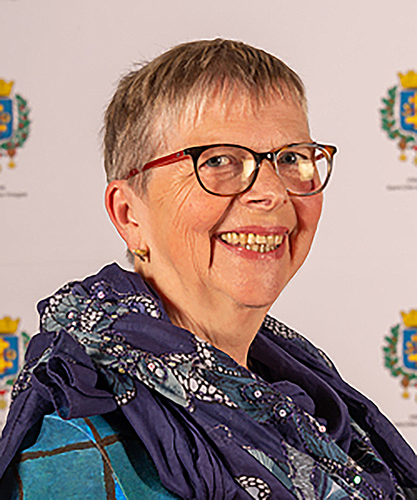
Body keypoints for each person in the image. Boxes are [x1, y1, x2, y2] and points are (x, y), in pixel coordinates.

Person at [0, 39, 416, 500]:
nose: (272, 192)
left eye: (291, 158)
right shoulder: (76, 454)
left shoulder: (313, 401)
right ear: (129, 215)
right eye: (218, 160)